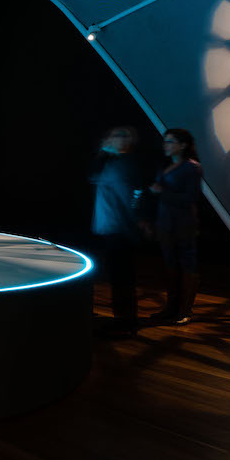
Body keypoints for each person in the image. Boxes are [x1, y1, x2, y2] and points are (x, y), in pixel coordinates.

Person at [90, 126, 146, 336]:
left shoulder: (123, 165)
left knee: (122, 277)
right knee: (119, 276)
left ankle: (125, 323)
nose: (107, 139)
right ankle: (124, 320)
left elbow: (129, 198)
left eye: (113, 136)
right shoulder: (115, 163)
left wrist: (136, 223)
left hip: (119, 229)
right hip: (115, 227)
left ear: (125, 141)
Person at [150, 128, 203, 325]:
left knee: (186, 264)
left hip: (183, 223)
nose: (166, 145)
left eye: (170, 141)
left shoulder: (192, 168)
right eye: (165, 141)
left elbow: (191, 198)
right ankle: (171, 308)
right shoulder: (167, 165)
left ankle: (185, 310)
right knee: (171, 264)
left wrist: (161, 192)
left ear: (183, 145)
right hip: (165, 222)